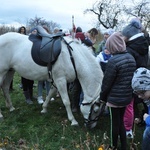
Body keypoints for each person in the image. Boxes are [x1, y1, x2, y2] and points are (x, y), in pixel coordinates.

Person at [100, 32, 136, 150]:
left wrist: (102, 97)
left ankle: (113, 146)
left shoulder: (113, 61)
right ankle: (124, 146)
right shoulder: (131, 58)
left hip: (114, 99)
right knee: (121, 121)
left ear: (113, 46)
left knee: (114, 124)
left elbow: (106, 83)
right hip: (126, 97)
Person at [122, 19, 149, 138]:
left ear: (128, 37)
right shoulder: (143, 45)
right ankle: (144, 119)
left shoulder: (129, 50)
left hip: (133, 80)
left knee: (131, 104)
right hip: (144, 78)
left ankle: (135, 122)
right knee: (145, 101)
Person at [131, 67, 150, 150]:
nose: (139, 96)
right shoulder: (148, 100)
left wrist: (148, 119)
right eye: (137, 93)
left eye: (142, 92)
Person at [18, 26, 34, 104]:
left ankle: (31, 95)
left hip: (29, 63)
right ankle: (27, 97)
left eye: (23, 30)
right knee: (25, 81)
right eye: (21, 30)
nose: (22, 31)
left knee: (31, 80)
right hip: (23, 64)